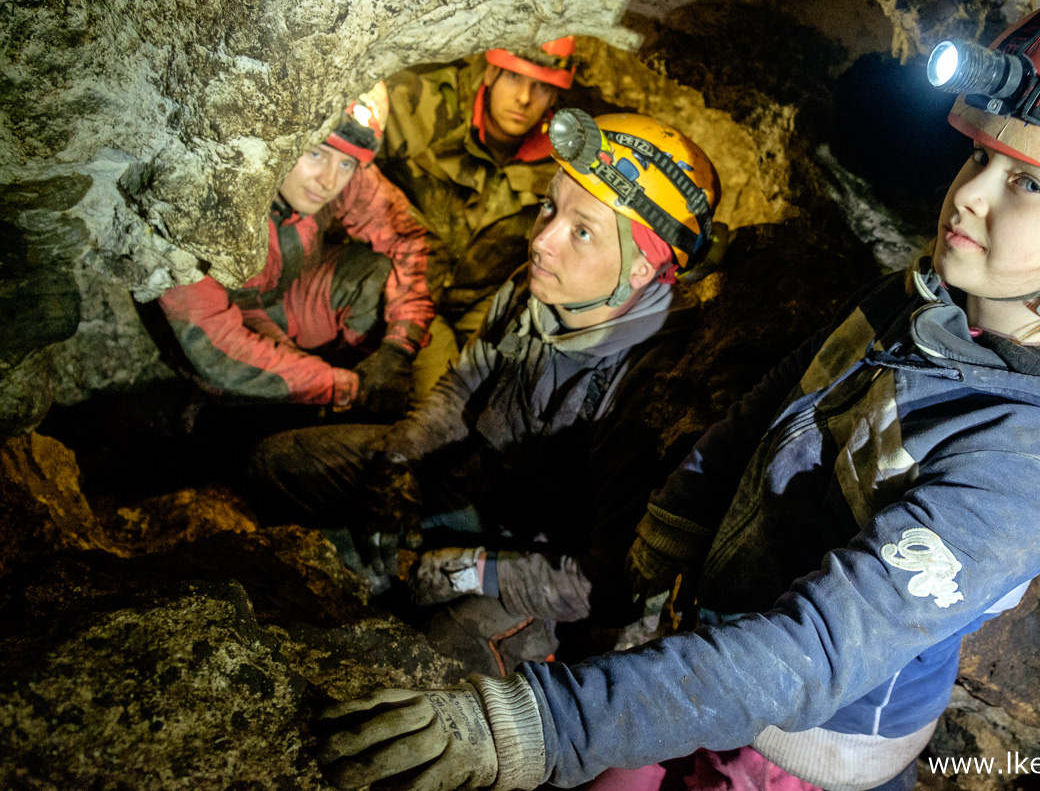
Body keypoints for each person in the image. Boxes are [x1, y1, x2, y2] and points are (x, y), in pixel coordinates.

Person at [315, 0, 1040, 791]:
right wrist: (659, 554)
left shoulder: (1028, 465)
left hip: (792, 744)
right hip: (703, 639)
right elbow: (771, 406)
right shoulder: (913, 299)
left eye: (1030, 185)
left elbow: (813, 651)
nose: (969, 196)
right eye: (980, 159)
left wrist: (538, 724)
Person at [250, 111, 720, 669]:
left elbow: (610, 582)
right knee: (276, 463)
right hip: (480, 485)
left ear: (642, 267)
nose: (542, 241)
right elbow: (462, 387)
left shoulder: (658, 387)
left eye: (582, 230)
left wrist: (471, 570)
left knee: (441, 652)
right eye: (550, 206)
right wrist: (400, 459)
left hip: (552, 564)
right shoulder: (535, 289)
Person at [158, 83, 434, 415]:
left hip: (285, 300)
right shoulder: (202, 201)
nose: (329, 181)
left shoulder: (344, 171)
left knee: (375, 275)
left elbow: (407, 237)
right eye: (316, 153)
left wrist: (398, 347)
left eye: (346, 164)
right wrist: (340, 387)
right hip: (218, 339)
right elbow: (213, 342)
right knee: (256, 411)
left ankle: (338, 391)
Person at [379, 38, 577, 400]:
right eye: (514, 79)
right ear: (491, 71)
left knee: (506, 394)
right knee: (440, 399)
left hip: (483, 304)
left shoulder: (565, 164)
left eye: (542, 86)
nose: (524, 99)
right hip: (406, 284)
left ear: (556, 97)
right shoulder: (423, 105)